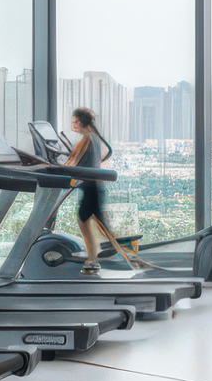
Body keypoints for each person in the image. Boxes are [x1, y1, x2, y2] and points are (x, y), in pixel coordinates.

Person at [60, 106, 153, 275]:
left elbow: (73, 161)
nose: (73, 125)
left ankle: (95, 259)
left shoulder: (87, 138)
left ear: (80, 122)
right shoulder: (93, 137)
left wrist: (56, 167)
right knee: (99, 225)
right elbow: (93, 156)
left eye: (74, 122)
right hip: (94, 186)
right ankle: (119, 258)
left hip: (91, 187)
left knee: (86, 221)